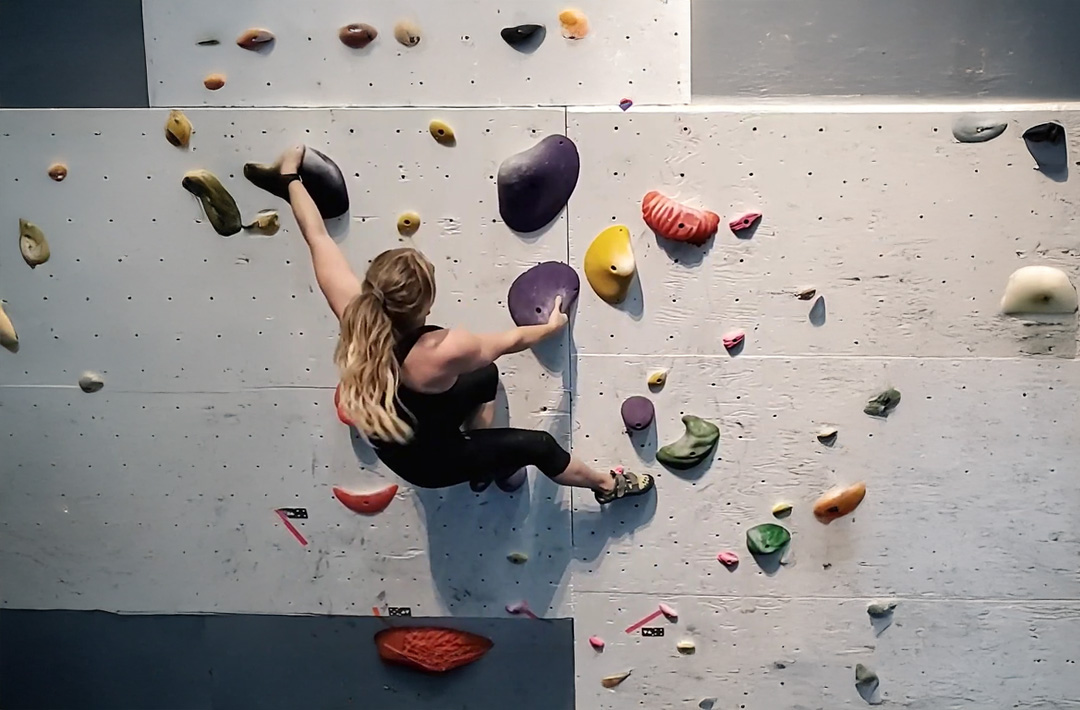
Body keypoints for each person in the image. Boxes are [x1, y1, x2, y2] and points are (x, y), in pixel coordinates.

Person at [279, 146, 654, 504]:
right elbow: (513, 339)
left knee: (485, 376)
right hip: (430, 463)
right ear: (425, 302)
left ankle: (485, 458)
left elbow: (316, 235)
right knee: (538, 446)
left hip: (401, 436)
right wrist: (553, 326)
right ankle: (607, 486)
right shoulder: (444, 350)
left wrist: (291, 178)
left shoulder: (355, 312)